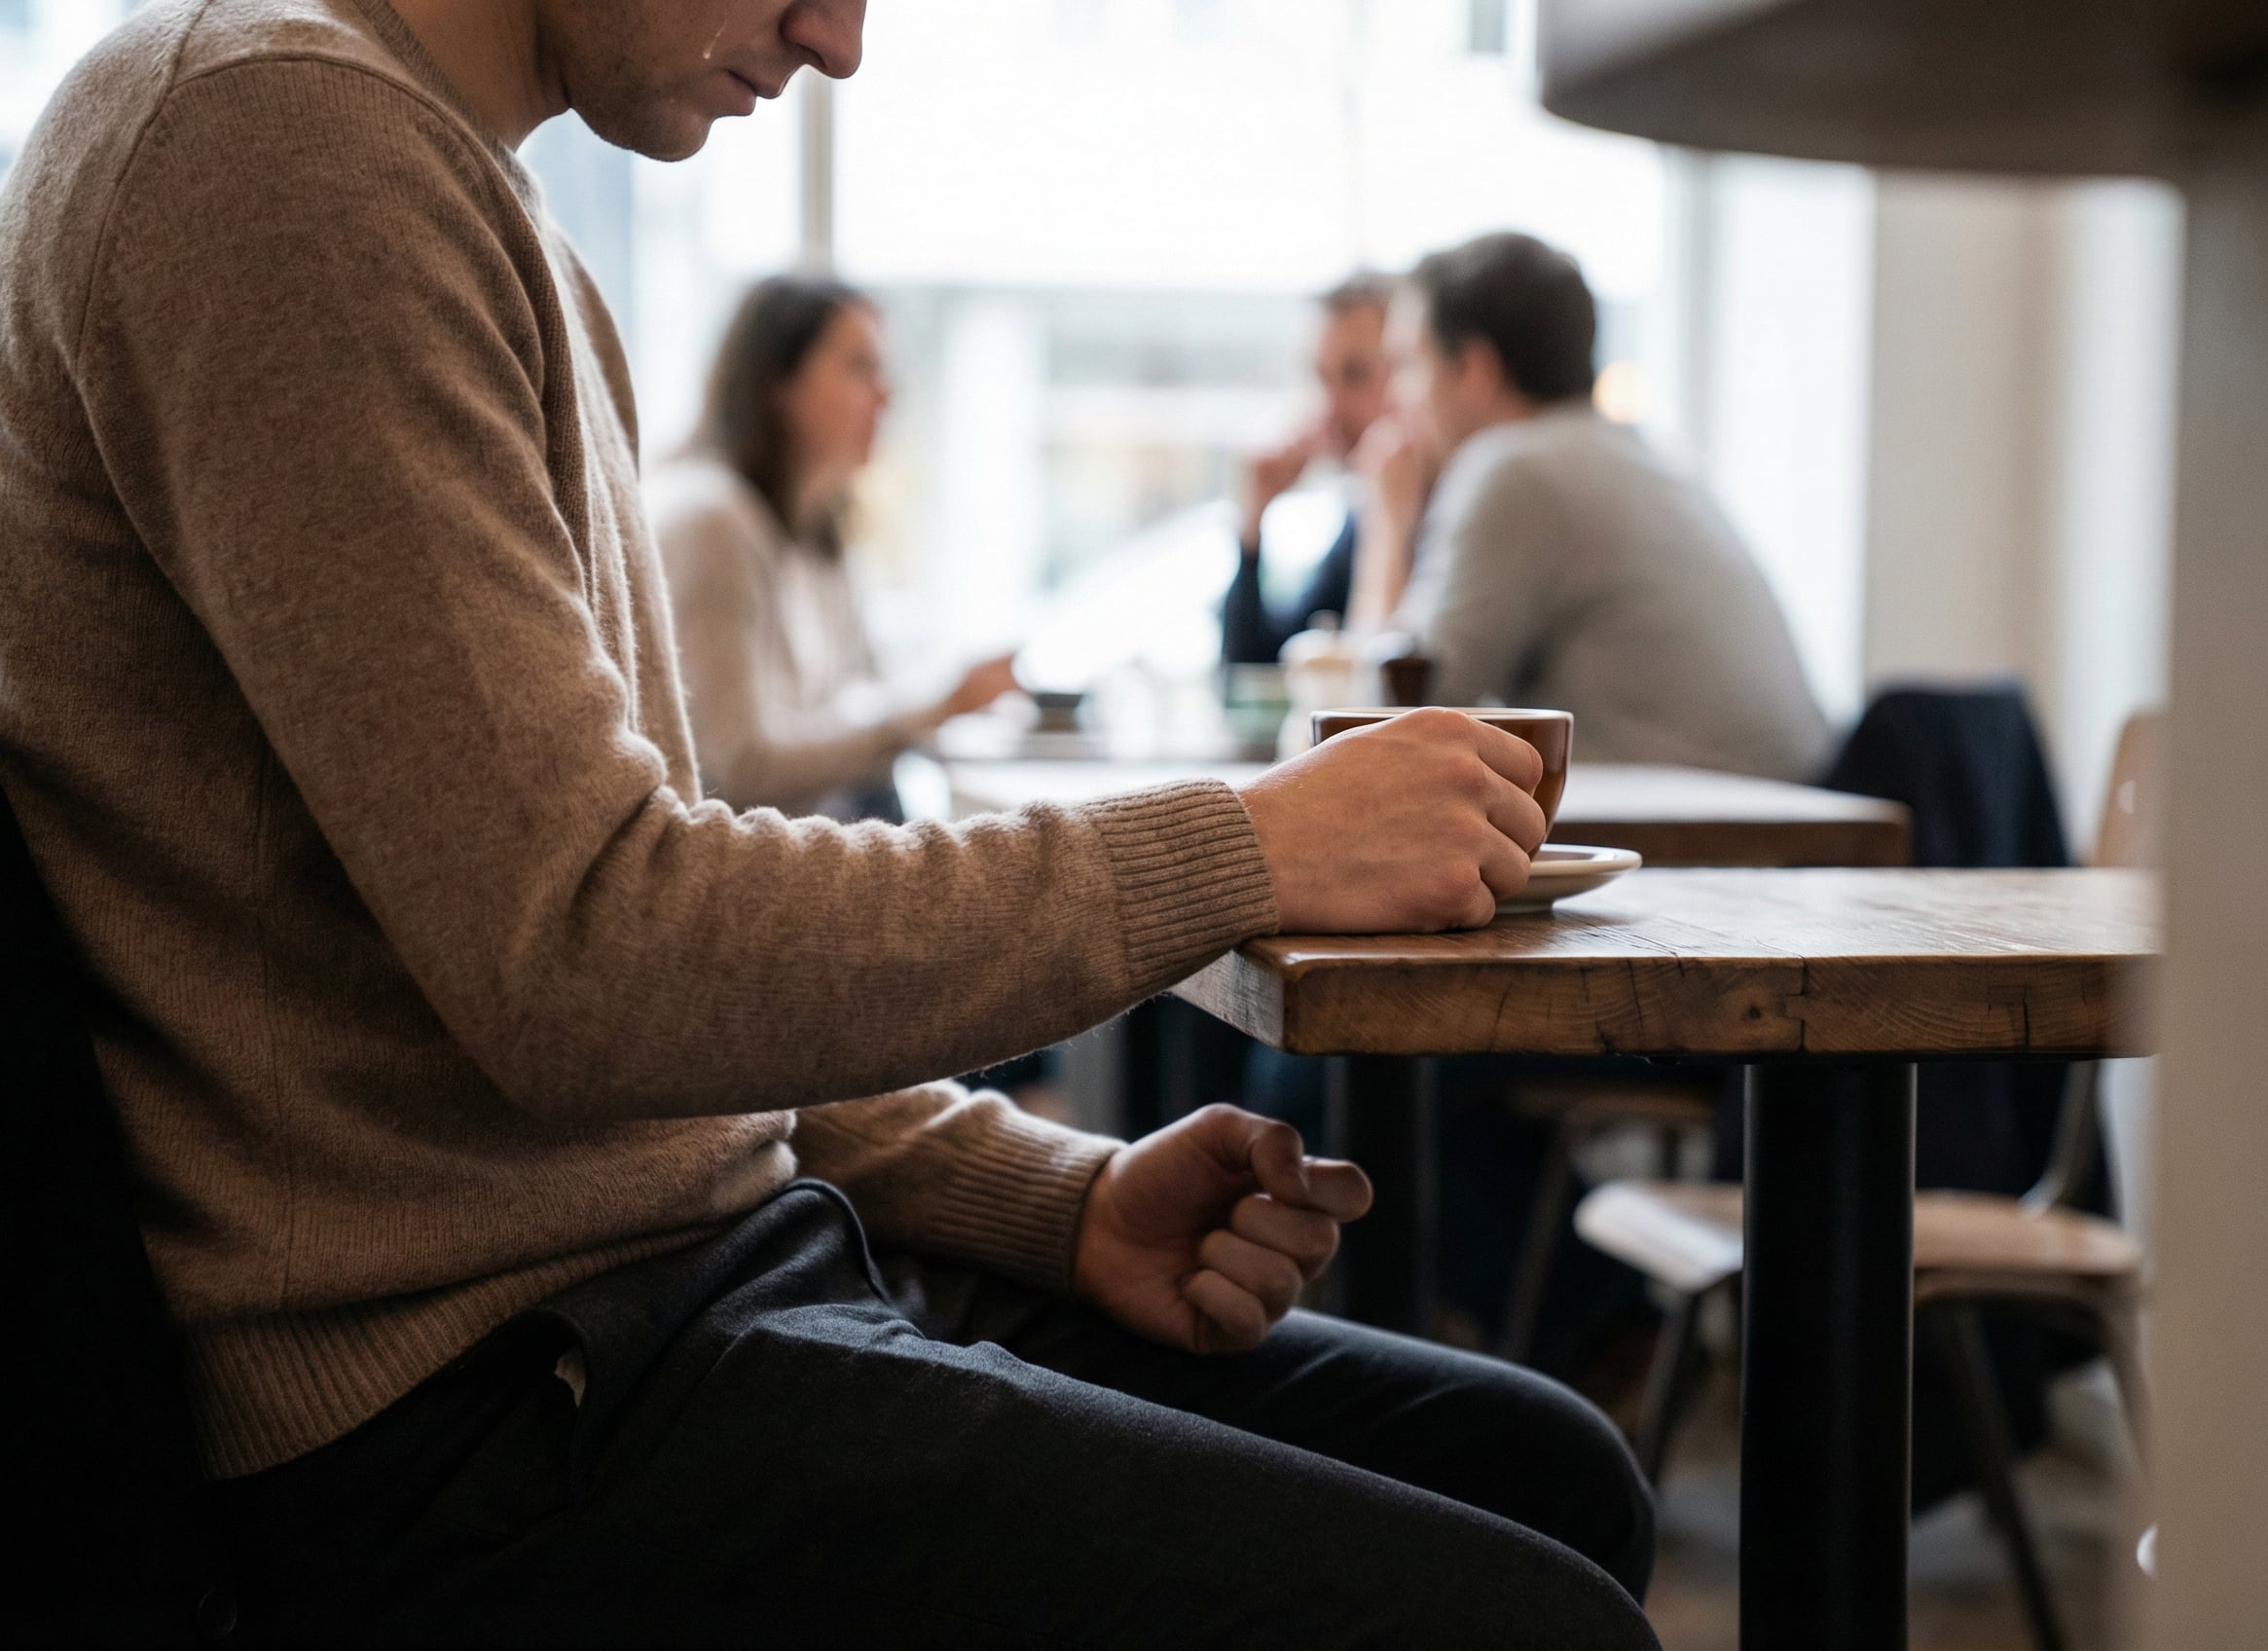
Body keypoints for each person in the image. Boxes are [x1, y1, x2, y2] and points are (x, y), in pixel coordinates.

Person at [0, 0, 1659, 1644]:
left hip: (679, 1282)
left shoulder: (487, 217)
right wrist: (1243, 848)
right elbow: (584, 953)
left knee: (1546, 1472)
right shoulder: (272, 140)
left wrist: (1044, 1197)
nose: (836, 40)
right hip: (477, 1403)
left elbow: (632, 975)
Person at [1357, 231, 1832, 782]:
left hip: (1697, 818)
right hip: (1790, 796)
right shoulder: (1637, 453)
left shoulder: (1515, 469)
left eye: (1412, 366)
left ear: (1476, 371)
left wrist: (1387, 526)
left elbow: (1394, 720)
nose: (1397, 399)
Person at [653, 276, 1015, 822]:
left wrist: (943, 697)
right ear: (778, 384)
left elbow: (866, 685)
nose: (885, 395)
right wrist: (935, 706)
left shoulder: (819, 524)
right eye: (860, 367)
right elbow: (739, 767)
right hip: (749, 869)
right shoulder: (712, 520)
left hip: (815, 839)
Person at [1219, 273, 1394, 666]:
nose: (1329, 404)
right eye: (1321, 375)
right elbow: (1261, 669)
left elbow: (1386, 693)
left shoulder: (1445, 509)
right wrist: (1251, 529)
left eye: (1355, 374)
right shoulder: (1361, 513)